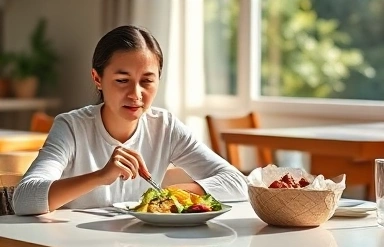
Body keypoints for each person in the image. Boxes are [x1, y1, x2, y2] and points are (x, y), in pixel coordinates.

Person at [12, 25, 248, 215]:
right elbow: (23, 200)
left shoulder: (165, 127)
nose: (136, 94)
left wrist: (171, 194)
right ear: (97, 78)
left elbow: (237, 183)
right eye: (122, 80)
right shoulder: (71, 127)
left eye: (147, 81)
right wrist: (100, 176)